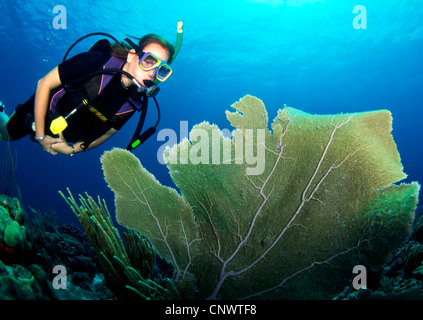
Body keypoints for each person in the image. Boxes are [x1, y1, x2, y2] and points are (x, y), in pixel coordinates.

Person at [0, 33, 175, 156]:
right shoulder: (96, 61)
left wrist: (71, 150)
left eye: (162, 69)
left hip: (61, 136)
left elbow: (106, 133)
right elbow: (44, 84)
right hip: (40, 111)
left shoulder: (135, 102)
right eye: (149, 61)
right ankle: (2, 113)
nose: (153, 72)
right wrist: (40, 135)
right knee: (7, 135)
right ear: (131, 56)